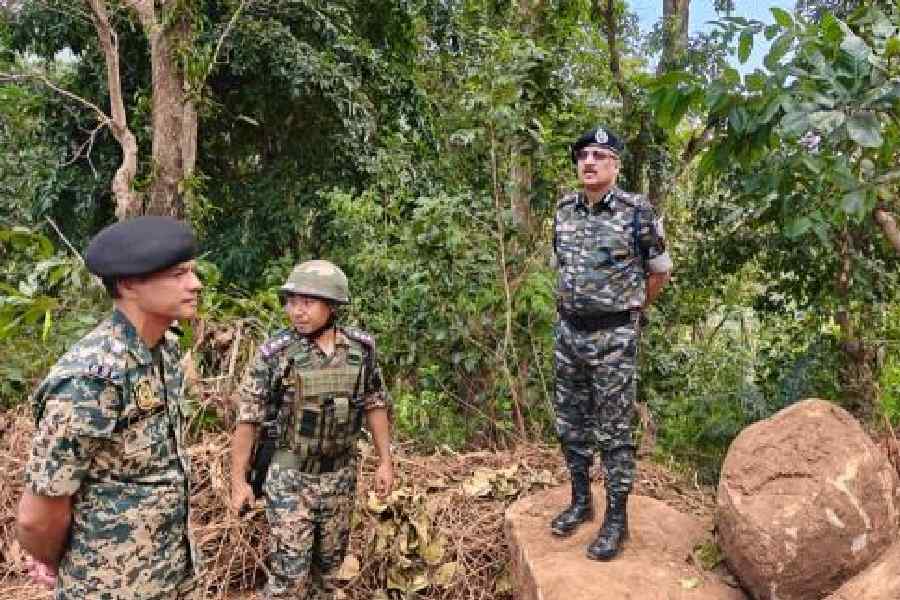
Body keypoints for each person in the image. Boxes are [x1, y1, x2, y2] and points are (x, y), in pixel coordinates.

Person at [16, 216, 204, 598]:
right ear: (129, 284)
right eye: (178, 274)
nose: (195, 284)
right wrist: (56, 561)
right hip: (109, 586)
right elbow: (39, 516)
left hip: (170, 574)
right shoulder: (91, 378)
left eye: (193, 272)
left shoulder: (163, 349)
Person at [230, 259, 394, 599]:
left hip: (340, 478)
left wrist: (384, 461)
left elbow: (374, 402)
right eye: (291, 302)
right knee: (288, 581)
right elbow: (248, 419)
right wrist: (238, 481)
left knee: (328, 577)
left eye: (307, 302)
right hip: (291, 479)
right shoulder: (275, 354)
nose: (296, 311)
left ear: (332, 306)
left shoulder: (361, 350)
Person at [549, 126, 673, 561]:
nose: (589, 161)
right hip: (569, 333)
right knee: (571, 424)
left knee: (615, 432)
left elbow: (659, 271)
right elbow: (560, 266)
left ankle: (616, 518)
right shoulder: (564, 210)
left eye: (600, 155)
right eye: (584, 154)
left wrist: (631, 311)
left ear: (615, 165)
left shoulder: (637, 211)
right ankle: (581, 502)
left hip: (614, 336)